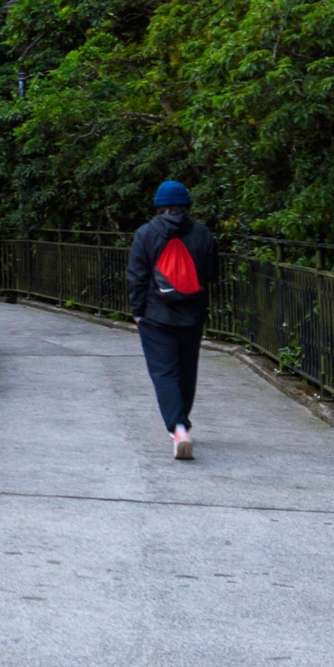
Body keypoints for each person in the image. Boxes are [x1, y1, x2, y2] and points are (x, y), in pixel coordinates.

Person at [127, 180, 220, 460]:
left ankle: (178, 427)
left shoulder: (145, 234)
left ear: (159, 206)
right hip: (192, 316)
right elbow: (212, 274)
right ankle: (182, 423)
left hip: (156, 316)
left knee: (164, 372)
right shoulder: (202, 234)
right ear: (186, 206)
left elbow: (137, 277)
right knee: (187, 370)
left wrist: (138, 311)